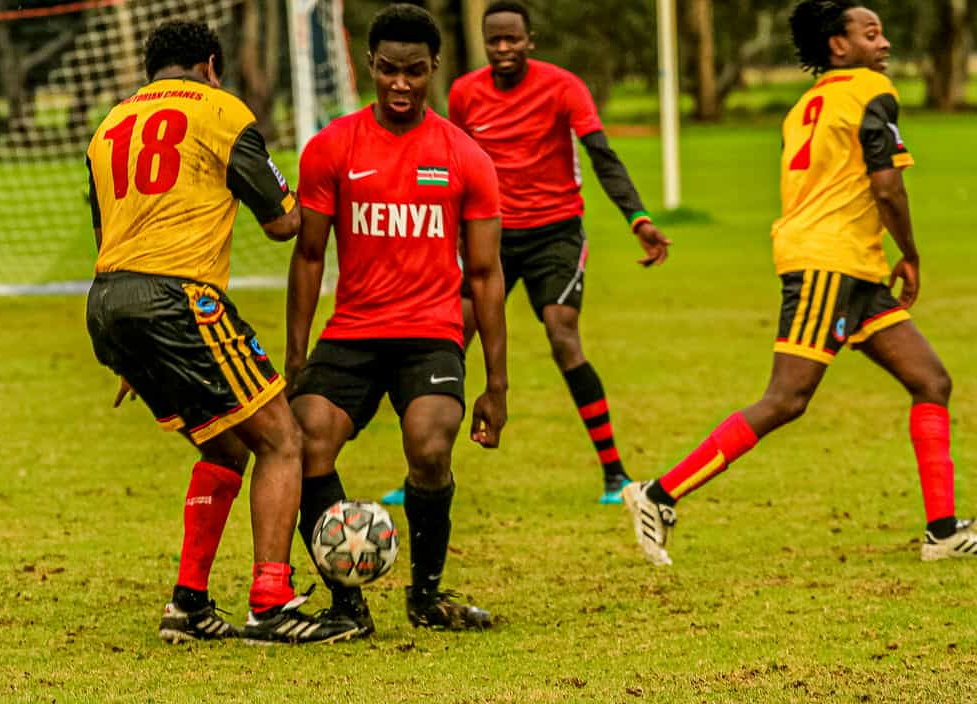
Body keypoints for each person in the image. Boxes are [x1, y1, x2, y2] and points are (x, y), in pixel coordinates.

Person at [625, 0, 976, 566]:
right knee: (787, 399)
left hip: (852, 266)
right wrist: (910, 254)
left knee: (930, 380)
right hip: (828, 264)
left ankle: (942, 532)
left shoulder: (805, 106)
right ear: (839, 45)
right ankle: (659, 494)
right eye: (871, 33)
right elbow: (887, 187)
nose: (884, 43)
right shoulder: (870, 90)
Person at [85, 20, 359, 644]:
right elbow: (283, 223)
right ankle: (271, 601)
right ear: (211, 64)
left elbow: (107, 236)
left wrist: (134, 349)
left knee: (227, 447)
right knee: (283, 439)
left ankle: (188, 603)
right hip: (179, 299)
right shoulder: (220, 110)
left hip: (107, 303)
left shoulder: (109, 126)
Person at [382, 0, 671, 508]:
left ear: (529, 41)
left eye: (512, 39)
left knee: (562, 333)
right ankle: (420, 472)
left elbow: (600, 154)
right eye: (494, 40)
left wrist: (638, 219)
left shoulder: (563, 87)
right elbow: (451, 161)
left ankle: (614, 474)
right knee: (448, 340)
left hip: (555, 233)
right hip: (488, 234)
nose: (503, 48)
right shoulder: (465, 92)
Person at [286, 4, 508, 635]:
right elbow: (309, 256)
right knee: (305, 443)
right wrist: (296, 355)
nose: (401, 84)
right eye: (388, 70)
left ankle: (427, 595)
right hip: (352, 332)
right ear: (370, 66)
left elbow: (486, 275)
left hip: (430, 335)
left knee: (431, 446)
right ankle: (347, 606)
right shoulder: (332, 147)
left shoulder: (465, 156)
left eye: (415, 71)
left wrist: (496, 384)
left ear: (435, 67)